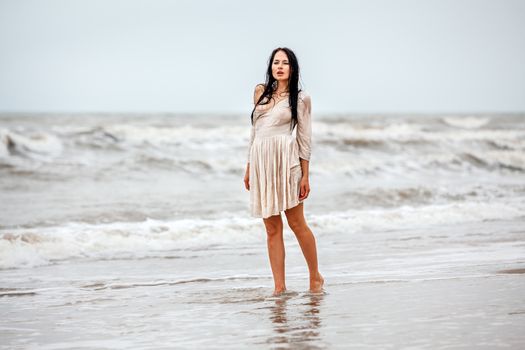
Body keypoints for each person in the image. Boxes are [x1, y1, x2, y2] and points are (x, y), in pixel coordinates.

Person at [244, 47, 324, 295]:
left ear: (292, 68)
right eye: (276, 62)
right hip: (261, 163)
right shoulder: (260, 92)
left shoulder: (300, 98)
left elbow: (304, 138)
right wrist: (249, 166)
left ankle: (315, 277)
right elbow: (254, 132)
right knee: (271, 228)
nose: (279, 66)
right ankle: (279, 287)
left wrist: (305, 175)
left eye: (285, 63)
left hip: (286, 162)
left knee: (297, 223)